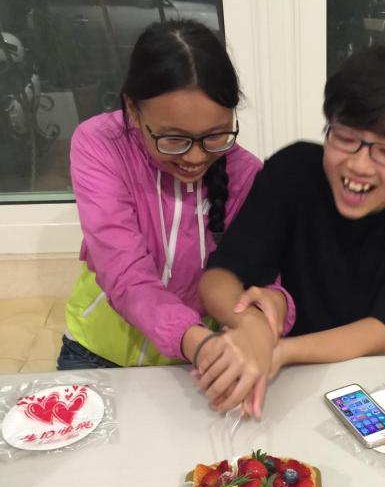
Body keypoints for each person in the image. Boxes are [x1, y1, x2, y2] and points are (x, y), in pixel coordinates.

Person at [196, 44, 385, 413]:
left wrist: (279, 351)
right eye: (345, 137)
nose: (360, 166)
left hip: (383, 365)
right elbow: (220, 276)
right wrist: (252, 329)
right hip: (289, 368)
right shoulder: (292, 170)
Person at [57, 20, 293, 390]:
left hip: (192, 362)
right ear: (132, 110)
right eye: (174, 139)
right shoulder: (100, 145)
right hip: (98, 352)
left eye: (215, 136)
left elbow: (265, 277)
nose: (196, 157)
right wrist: (198, 343)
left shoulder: (246, 173)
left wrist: (269, 310)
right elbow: (125, 272)